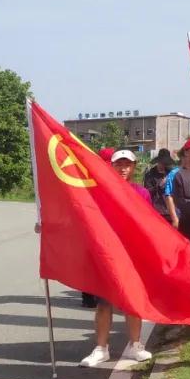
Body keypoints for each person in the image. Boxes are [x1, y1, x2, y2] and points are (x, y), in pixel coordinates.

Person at [79, 149, 153, 366]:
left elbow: (149, 224)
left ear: (134, 167)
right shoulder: (98, 191)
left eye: (127, 164)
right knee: (104, 302)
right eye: (119, 164)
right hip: (106, 252)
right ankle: (101, 348)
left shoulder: (142, 192)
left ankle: (135, 345)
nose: (123, 168)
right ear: (111, 166)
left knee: (132, 301)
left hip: (131, 254)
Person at [143, 149, 176, 222]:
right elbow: (147, 192)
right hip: (157, 210)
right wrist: (159, 185)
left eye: (165, 163)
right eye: (162, 163)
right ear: (158, 162)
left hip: (171, 210)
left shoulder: (171, 173)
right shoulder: (150, 174)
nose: (163, 165)